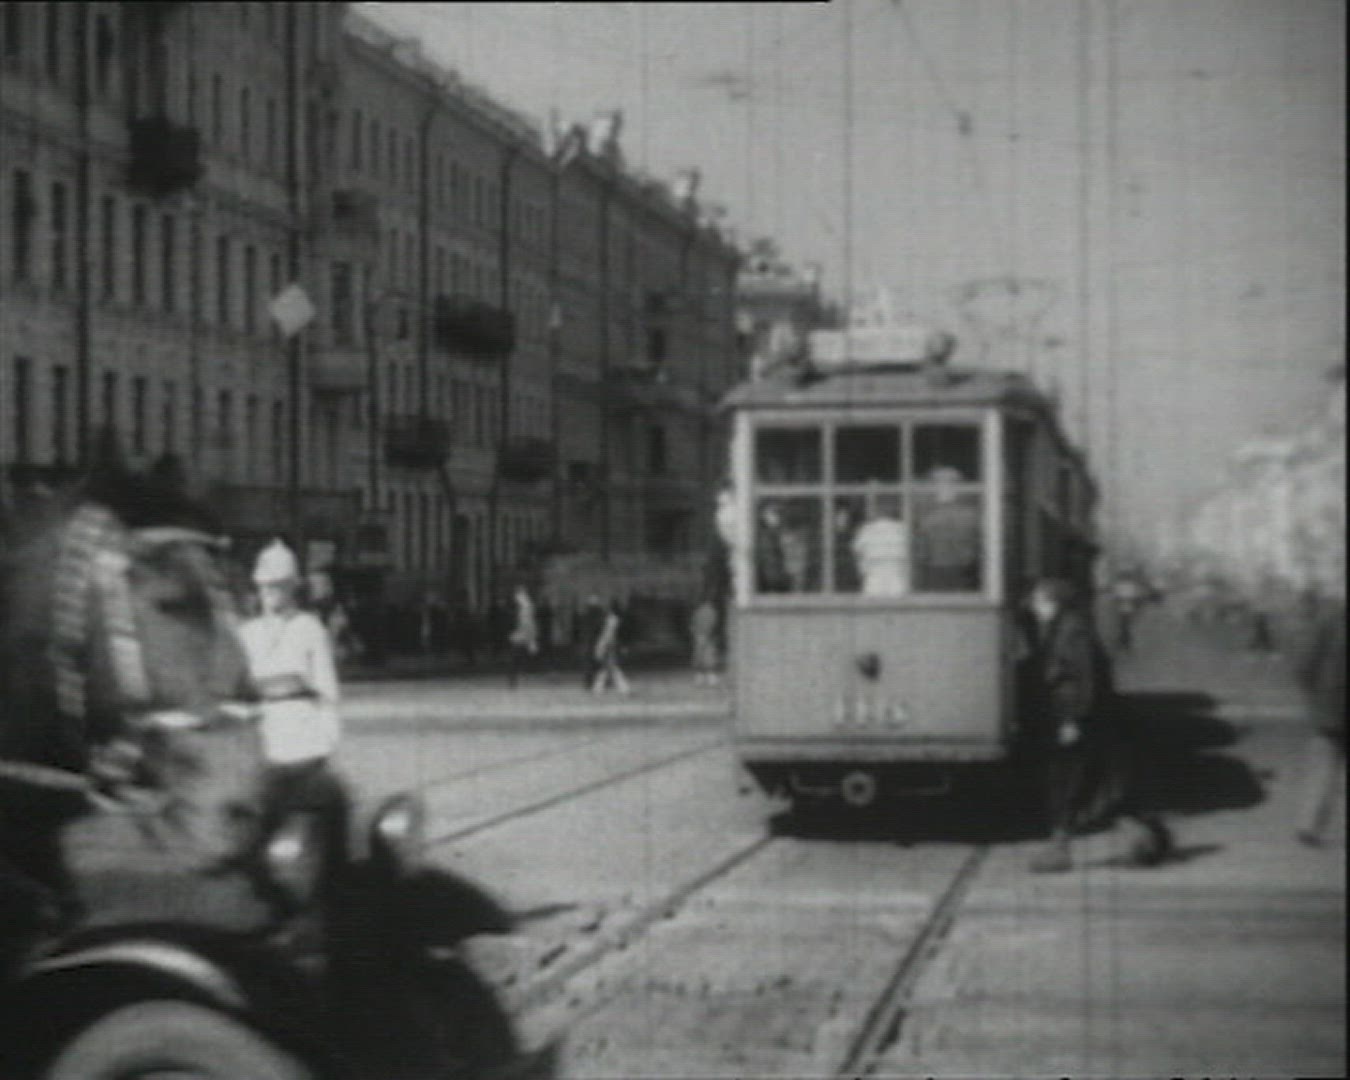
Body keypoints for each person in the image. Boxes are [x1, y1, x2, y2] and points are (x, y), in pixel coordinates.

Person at [1022, 577, 1172, 873]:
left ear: (1053, 603)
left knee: (1071, 784)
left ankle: (1060, 851)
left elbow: (1084, 679)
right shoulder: (1063, 628)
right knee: (1091, 785)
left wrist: (1072, 720)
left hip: (1078, 718)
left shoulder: (1072, 632)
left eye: (1038, 602)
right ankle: (1146, 837)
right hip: (1077, 717)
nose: (1034, 608)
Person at [237, 540, 347, 888]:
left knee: (313, 817)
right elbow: (238, 690)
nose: (271, 593)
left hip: (302, 733)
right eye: (265, 586)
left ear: (292, 588)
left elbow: (327, 690)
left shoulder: (309, 628)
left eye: (278, 586)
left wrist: (328, 738)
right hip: (263, 734)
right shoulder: (247, 633)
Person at [1294, 594, 1345, 848]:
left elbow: (1304, 666)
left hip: (1330, 708)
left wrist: (1315, 698)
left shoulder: (1329, 620)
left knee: (1322, 767)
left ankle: (1309, 825)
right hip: (1332, 707)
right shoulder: (1330, 620)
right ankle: (1309, 825)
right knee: (1324, 765)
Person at [914, 467, 981, 592]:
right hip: (957, 571)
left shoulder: (927, 518)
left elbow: (921, 552)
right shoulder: (972, 515)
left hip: (953, 572)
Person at [851, 492, 909, 597]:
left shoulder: (867, 529)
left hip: (875, 572)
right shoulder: (902, 529)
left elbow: (857, 551)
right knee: (898, 602)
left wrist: (862, 568)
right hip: (895, 572)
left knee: (874, 602)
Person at [590, 598, 630, 695]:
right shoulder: (614, 619)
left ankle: (600, 688)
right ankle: (621, 688)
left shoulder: (610, 620)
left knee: (609, 667)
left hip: (609, 645)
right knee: (609, 667)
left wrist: (600, 646)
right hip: (611, 645)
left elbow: (607, 634)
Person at [507, 584, 539, 688]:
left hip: (523, 636)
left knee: (515, 658)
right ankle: (514, 680)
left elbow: (529, 623)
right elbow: (529, 623)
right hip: (522, 635)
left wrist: (531, 639)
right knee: (517, 657)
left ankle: (513, 680)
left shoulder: (526, 607)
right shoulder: (525, 607)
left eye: (517, 595)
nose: (516, 598)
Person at [690, 596, 721, 687]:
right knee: (710, 656)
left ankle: (699, 678)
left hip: (699, 636)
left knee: (699, 656)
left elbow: (692, 624)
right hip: (709, 636)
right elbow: (714, 624)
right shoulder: (713, 612)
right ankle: (711, 678)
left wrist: (696, 634)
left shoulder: (698, 611)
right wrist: (712, 634)